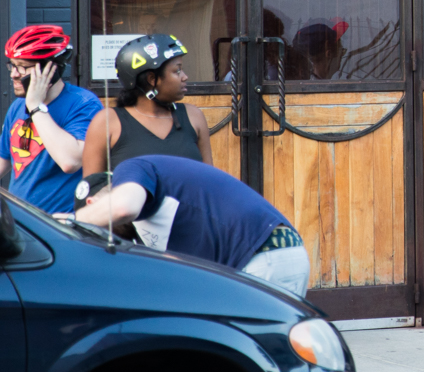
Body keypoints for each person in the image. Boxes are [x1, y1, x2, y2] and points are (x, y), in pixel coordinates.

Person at [69, 155, 311, 296]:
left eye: (97, 221)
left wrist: (66, 222)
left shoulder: (134, 169)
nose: (103, 232)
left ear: (94, 204)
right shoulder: (149, 226)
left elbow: (123, 207)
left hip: (263, 254)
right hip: (269, 256)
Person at [1, 26, 102, 213]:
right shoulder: (17, 106)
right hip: (21, 221)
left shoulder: (83, 104)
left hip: (59, 224)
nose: (14, 74)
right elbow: (3, 159)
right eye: (12, 65)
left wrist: (36, 106)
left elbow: (70, 161)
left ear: (51, 69)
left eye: (23, 66)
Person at [82, 34, 212, 175]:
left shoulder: (193, 116)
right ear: (152, 79)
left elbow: (211, 179)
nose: (185, 77)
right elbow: (92, 185)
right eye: (177, 71)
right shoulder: (107, 121)